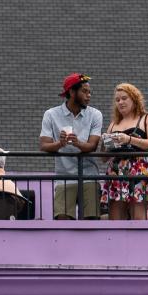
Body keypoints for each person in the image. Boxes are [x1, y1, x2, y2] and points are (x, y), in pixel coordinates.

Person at [40, 73, 103, 220]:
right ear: (71, 92)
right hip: (64, 177)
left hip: (89, 176)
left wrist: (77, 143)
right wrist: (60, 143)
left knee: (91, 221)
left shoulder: (95, 114)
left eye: (90, 92)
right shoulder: (50, 114)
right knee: (62, 220)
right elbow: (44, 145)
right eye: (85, 91)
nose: (89, 96)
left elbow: (93, 146)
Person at [101, 83, 148, 220]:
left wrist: (128, 139)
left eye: (124, 98)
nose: (120, 102)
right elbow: (104, 158)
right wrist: (105, 142)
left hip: (138, 170)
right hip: (116, 172)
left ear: (134, 99)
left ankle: (139, 242)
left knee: (138, 218)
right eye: (117, 100)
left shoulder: (146, 118)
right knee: (115, 218)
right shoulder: (114, 124)